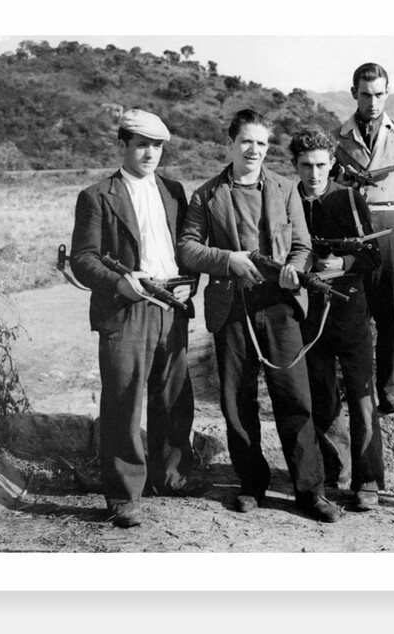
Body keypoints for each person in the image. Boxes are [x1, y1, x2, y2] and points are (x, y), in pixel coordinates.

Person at [177, 109, 340, 523]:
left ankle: (310, 489)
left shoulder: (285, 189)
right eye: (246, 141)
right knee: (237, 400)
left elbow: (301, 245)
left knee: (294, 397)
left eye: (262, 143)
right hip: (232, 307)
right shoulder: (206, 194)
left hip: (280, 306)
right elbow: (188, 249)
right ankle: (252, 484)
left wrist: (293, 270)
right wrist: (228, 259)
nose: (254, 150)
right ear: (230, 144)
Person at [70, 109, 210, 528]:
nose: (151, 153)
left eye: (158, 146)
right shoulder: (96, 196)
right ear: (122, 146)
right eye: (142, 145)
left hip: (173, 305)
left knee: (174, 396)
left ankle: (170, 477)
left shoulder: (173, 190)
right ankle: (123, 495)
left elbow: (186, 248)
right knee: (124, 400)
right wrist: (119, 284)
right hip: (126, 310)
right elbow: (83, 259)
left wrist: (190, 282)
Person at [288, 126, 385, 511]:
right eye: (306, 165)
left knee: (362, 398)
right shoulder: (286, 200)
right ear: (295, 165)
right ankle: (331, 471)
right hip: (308, 317)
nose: (314, 174)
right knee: (320, 397)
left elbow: (373, 257)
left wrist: (342, 262)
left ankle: (369, 481)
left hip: (350, 314)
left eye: (322, 165)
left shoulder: (348, 198)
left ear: (333, 163)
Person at [333, 62, 394, 414]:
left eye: (379, 94)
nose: (372, 102)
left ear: (388, 93)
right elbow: (323, 178)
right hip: (353, 227)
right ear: (354, 94)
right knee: (353, 310)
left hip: (393, 224)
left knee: (392, 310)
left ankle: (391, 389)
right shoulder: (339, 136)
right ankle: (355, 387)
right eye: (365, 94)